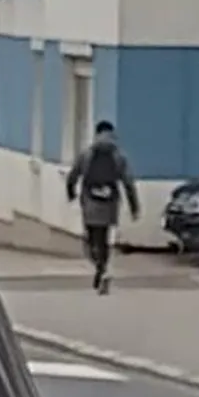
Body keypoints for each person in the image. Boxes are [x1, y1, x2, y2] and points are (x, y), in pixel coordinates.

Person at [66, 120, 139, 293]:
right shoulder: (119, 156)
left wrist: (71, 193)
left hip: (90, 202)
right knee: (104, 238)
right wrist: (134, 206)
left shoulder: (86, 154)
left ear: (96, 134)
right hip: (110, 202)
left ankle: (99, 265)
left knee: (92, 238)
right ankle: (103, 267)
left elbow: (73, 176)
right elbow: (128, 182)